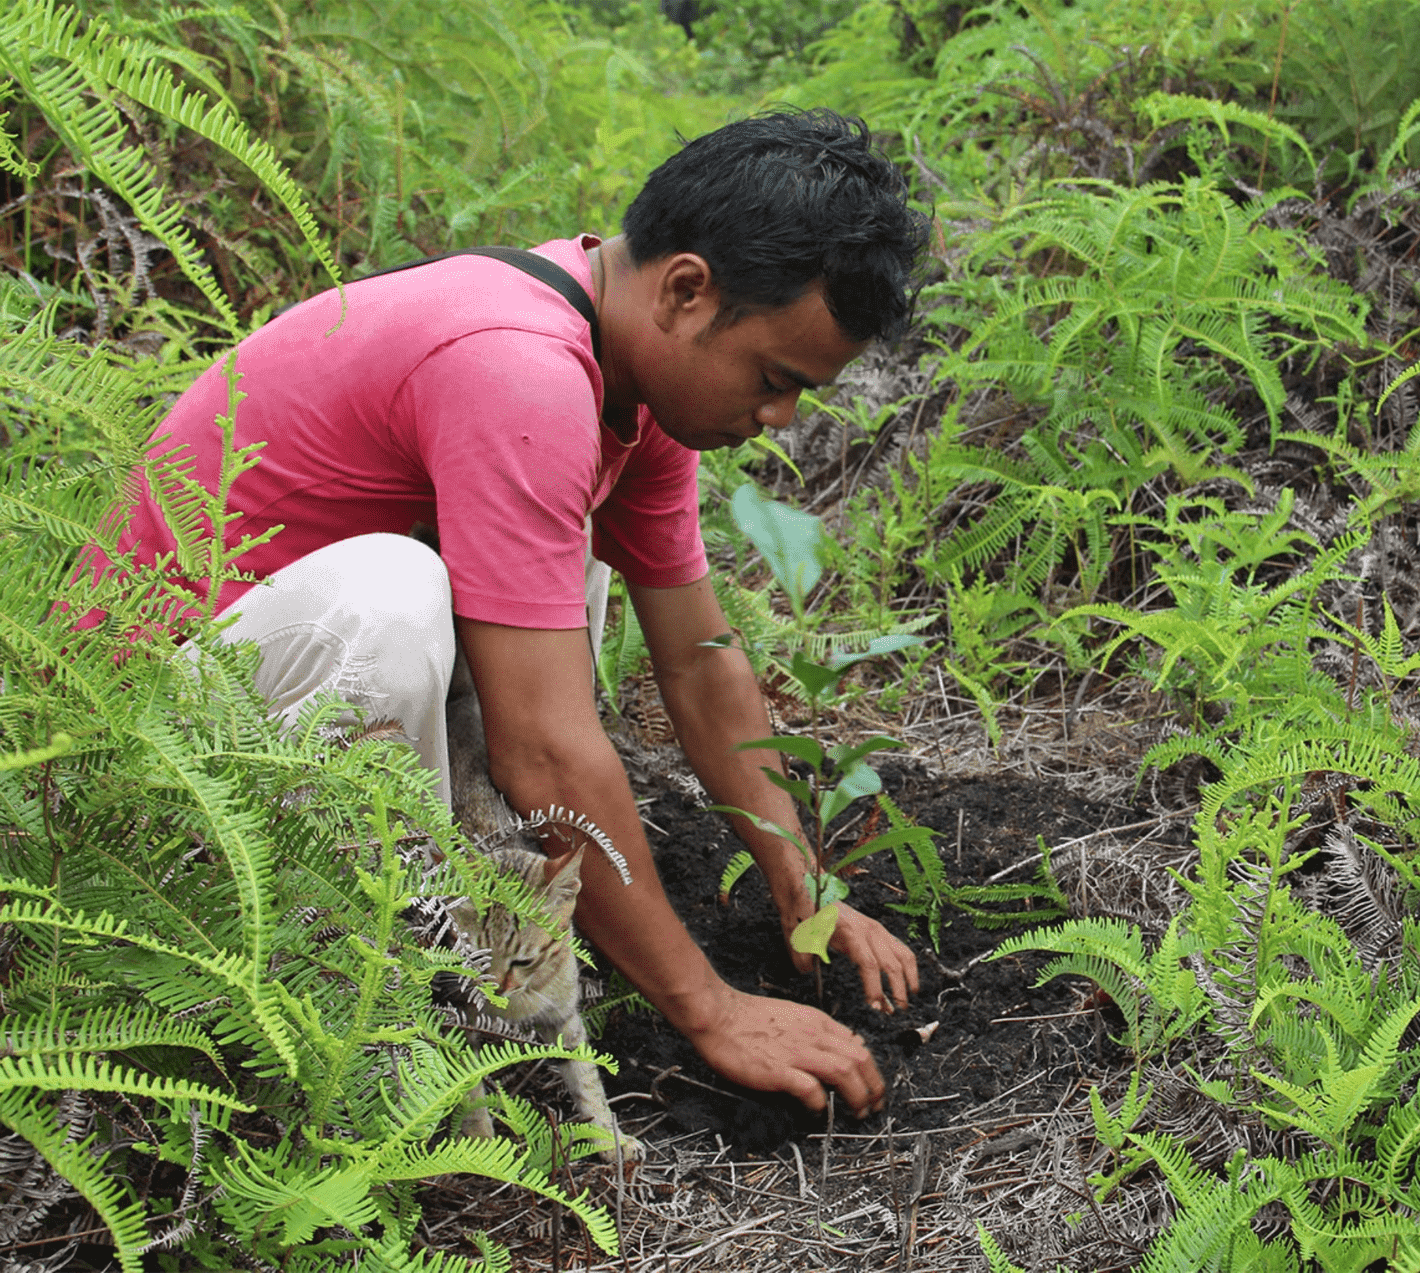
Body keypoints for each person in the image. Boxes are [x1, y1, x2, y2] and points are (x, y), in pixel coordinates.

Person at [98, 108, 930, 1119]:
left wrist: (801, 876)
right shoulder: (520, 367)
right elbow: (544, 749)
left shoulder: (626, 370)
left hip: (265, 719)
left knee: (538, 574)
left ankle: (472, 946)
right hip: (131, 767)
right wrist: (710, 1007)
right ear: (686, 289)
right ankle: (360, 1024)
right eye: (773, 379)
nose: (781, 419)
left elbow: (702, 661)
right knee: (394, 600)